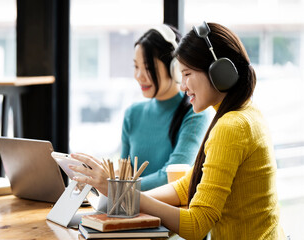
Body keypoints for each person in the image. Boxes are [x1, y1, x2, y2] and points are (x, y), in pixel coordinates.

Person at [70, 22, 285, 239]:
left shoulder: (231, 127)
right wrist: (121, 198)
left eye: (188, 74)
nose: (182, 86)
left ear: (219, 73)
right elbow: (188, 186)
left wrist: (123, 195)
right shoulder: (245, 113)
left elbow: (197, 224)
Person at [121, 25, 210, 191]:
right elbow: (124, 175)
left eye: (148, 68)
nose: (139, 76)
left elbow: (172, 178)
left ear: (175, 68)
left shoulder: (195, 113)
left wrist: (120, 190)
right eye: (136, 66)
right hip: (132, 213)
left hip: (169, 214)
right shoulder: (132, 114)